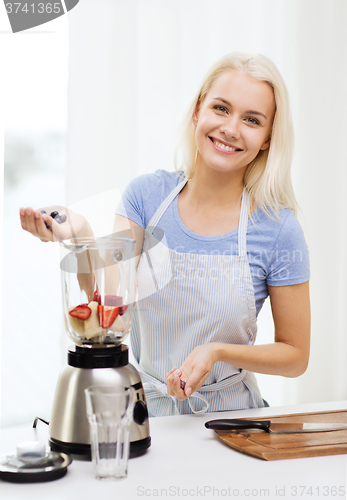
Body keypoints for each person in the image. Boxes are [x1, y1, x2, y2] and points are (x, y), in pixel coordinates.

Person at [20, 52, 310, 417]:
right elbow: (113, 305)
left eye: (252, 120)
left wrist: (217, 351)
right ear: (197, 113)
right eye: (221, 109)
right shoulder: (145, 198)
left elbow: (295, 356)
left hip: (234, 424)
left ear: (267, 138)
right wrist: (81, 235)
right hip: (149, 417)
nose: (231, 128)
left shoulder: (278, 228)